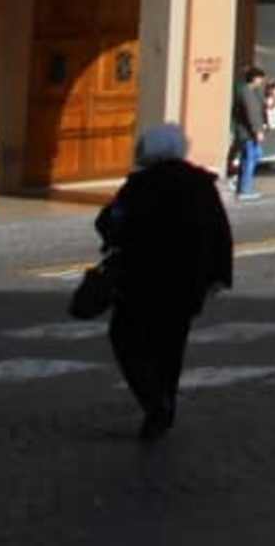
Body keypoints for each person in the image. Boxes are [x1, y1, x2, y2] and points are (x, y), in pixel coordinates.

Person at [94, 124, 233, 440]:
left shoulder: (141, 185)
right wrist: (218, 276)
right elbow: (219, 232)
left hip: (142, 280)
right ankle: (164, 406)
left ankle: (153, 401)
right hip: (186, 283)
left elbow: (110, 222)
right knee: (170, 348)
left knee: (125, 337)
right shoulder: (200, 185)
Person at [228, 66, 267, 201]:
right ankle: (245, 190)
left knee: (252, 157)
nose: (262, 81)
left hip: (246, 132)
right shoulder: (247, 93)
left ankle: (243, 187)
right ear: (255, 78)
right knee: (250, 159)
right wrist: (258, 131)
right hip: (248, 133)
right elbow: (252, 114)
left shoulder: (250, 91)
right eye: (260, 78)